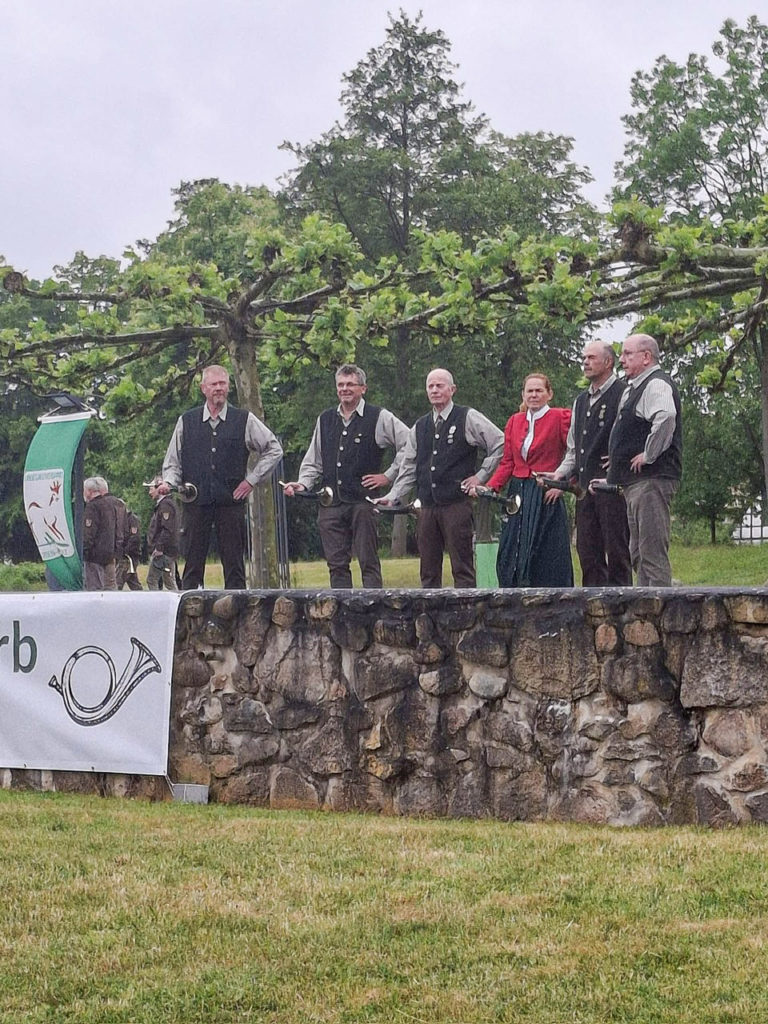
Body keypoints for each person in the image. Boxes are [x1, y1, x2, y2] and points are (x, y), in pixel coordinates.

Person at [282, 364, 409, 588]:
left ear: (363, 388)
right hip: (330, 504)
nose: (344, 389)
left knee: (368, 562)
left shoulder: (379, 417)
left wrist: (388, 476)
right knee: (336, 565)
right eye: (340, 384)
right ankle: (342, 616)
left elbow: (410, 445)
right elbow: (314, 461)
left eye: (350, 384)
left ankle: (373, 613)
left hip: (364, 502)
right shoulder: (325, 419)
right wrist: (303, 484)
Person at [159, 365, 283, 589]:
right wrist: (168, 483)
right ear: (203, 388)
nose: (219, 388)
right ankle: (190, 614)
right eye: (214, 384)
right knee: (192, 564)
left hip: (231, 502)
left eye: (223, 384)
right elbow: (172, 462)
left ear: (228, 387)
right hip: (195, 503)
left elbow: (274, 449)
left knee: (235, 564)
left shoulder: (244, 419)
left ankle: (237, 615)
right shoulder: (186, 421)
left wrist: (251, 480)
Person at [380, 368, 504, 588]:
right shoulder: (420, 426)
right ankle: (430, 618)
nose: (435, 390)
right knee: (428, 570)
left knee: (463, 568)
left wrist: (480, 476)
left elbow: (500, 444)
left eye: (440, 385)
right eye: (430, 386)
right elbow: (408, 467)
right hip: (426, 507)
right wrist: (393, 496)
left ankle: (466, 616)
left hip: (456, 504)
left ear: (452, 389)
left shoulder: (467, 417)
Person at [598, 333, 682, 587]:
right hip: (637, 482)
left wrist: (649, 453)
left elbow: (666, 416)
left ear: (646, 357)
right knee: (639, 553)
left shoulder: (656, 384)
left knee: (651, 552)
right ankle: (647, 611)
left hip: (652, 479)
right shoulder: (637, 387)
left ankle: (661, 612)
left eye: (627, 354)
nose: (621, 359)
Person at [483, 373, 573, 587]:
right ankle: (513, 591)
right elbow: (508, 462)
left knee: (546, 548)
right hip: (518, 491)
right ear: (523, 395)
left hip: (546, 491)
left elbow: (574, 453)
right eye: (529, 391)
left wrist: (563, 486)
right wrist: (491, 487)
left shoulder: (560, 417)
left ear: (549, 394)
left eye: (538, 390)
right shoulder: (515, 421)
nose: (534, 395)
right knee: (511, 544)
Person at [554, 341, 632, 586]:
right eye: (584, 357)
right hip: (585, 489)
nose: (585, 362)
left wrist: (621, 460)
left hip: (612, 487)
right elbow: (573, 448)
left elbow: (633, 432)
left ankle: (623, 606)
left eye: (591, 357)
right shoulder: (580, 400)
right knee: (587, 551)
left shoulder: (624, 392)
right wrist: (559, 474)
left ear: (608, 362)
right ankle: (593, 608)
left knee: (617, 550)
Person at [82, 476, 125, 591]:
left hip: (94, 557)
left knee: (95, 589)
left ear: (89, 491)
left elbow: (89, 533)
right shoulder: (110, 505)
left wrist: (85, 550)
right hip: (109, 555)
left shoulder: (92, 507)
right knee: (110, 589)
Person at [146, 476, 180, 591]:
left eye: (151, 489)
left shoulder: (166, 505)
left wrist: (159, 547)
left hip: (164, 551)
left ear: (159, 489)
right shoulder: (165, 504)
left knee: (152, 580)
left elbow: (167, 529)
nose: (149, 492)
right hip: (167, 550)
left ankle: (156, 604)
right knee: (169, 581)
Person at [116, 507, 143, 590]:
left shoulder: (132, 520)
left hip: (129, 556)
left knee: (118, 580)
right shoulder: (122, 519)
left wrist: (124, 551)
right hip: (126, 554)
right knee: (132, 580)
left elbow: (134, 538)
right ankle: (141, 596)